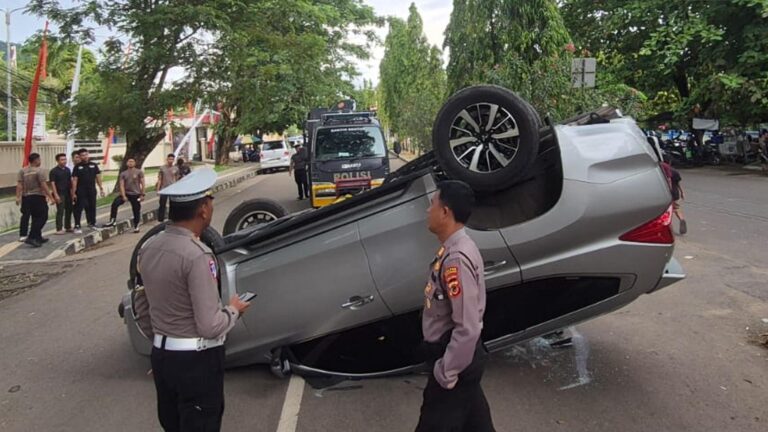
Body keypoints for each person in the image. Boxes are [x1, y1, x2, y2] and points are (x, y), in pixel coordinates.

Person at [135, 168, 250, 432]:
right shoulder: (198, 255)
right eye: (210, 201)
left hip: (163, 357)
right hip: (196, 362)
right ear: (203, 210)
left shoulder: (148, 247)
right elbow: (209, 326)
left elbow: (142, 306)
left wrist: (164, 348)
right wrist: (234, 310)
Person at [416, 180, 495, 432]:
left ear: (445, 212)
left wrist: (446, 371)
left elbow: (467, 327)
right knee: (477, 425)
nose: (428, 210)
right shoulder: (455, 248)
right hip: (463, 359)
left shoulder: (456, 260)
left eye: (432, 204)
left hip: (455, 361)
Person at [16, 153, 54, 247]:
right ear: (36, 160)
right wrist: (50, 196)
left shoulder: (22, 171)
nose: (40, 161)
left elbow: (19, 184)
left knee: (35, 217)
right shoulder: (40, 171)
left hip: (26, 197)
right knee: (42, 217)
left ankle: (38, 236)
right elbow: (43, 185)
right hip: (37, 196)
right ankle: (32, 236)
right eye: (39, 159)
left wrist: (18, 197)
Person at [103, 157, 145, 232]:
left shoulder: (139, 172)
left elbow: (143, 183)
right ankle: (112, 221)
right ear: (127, 163)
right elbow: (121, 185)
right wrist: (123, 196)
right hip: (126, 193)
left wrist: (142, 194)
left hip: (136, 194)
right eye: (129, 161)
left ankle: (136, 225)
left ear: (135, 163)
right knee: (115, 203)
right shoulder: (123, 173)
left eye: (132, 161)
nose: (130, 163)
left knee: (136, 210)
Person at [71, 148, 105, 233]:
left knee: (92, 207)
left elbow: (98, 177)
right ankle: (77, 225)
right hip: (81, 191)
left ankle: (92, 223)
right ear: (80, 157)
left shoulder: (93, 165)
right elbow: (75, 180)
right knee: (79, 208)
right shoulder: (77, 167)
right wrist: (73, 192)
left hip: (91, 190)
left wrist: (101, 188)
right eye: (82, 155)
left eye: (86, 154)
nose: (85, 156)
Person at [661, 155, 687, 235]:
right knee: (677, 208)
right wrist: (682, 192)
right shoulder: (674, 171)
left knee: (667, 211)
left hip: (666, 192)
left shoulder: (661, 169)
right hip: (675, 192)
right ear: (670, 162)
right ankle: (681, 219)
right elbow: (678, 183)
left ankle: (668, 227)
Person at [49, 153, 73, 234]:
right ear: (57, 161)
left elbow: (70, 182)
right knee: (60, 211)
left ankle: (68, 226)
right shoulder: (54, 171)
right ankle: (59, 228)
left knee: (69, 210)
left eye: (65, 159)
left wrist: (72, 193)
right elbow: (52, 183)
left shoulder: (67, 170)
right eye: (62, 160)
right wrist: (55, 195)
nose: (64, 161)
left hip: (68, 193)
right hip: (59, 193)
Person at [156, 154, 180, 222]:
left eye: (172, 159)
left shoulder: (176, 168)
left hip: (172, 189)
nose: (171, 161)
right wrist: (158, 189)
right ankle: (161, 219)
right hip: (164, 189)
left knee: (173, 204)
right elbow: (160, 179)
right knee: (162, 204)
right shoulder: (162, 168)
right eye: (169, 159)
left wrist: (177, 189)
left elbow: (177, 179)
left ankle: (171, 218)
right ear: (167, 159)